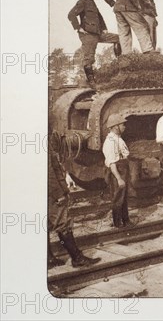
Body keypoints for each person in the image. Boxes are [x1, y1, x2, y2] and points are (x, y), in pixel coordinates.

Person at [48, 129, 101, 268]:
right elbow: (49, 174)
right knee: (63, 223)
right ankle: (77, 258)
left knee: (46, 224)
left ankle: (48, 258)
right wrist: (59, 194)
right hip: (51, 193)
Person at [67, 0, 121, 88]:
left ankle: (120, 62)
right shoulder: (82, 2)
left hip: (97, 33)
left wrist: (104, 28)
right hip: (88, 35)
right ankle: (91, 82)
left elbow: (99, 17)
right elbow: (71, 15)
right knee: (89, 58)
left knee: (118, 38)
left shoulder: (92, 2)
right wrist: (78, 28)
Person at [102, 114, 132, 228]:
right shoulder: (111, 141)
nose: (124, 126)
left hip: (122, 168)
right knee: (117, 198)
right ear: (115, 127)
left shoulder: (117, 138)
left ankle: (126, 221)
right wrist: (119, 178)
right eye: (122, 124)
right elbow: (112, 162)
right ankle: (117, 223)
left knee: (123, 197)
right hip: (117, 170)